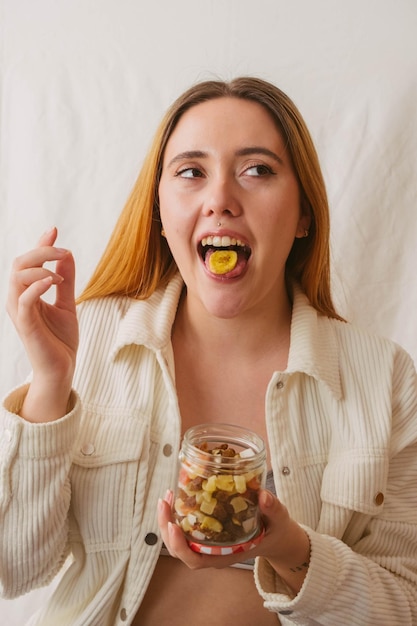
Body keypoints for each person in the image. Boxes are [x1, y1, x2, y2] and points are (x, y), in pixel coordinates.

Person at [1, 76, 416, 626]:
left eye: (258, 170)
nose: (221, 199)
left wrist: (293, 551)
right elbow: (13, 570)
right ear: (159, 209)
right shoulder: (91, 337)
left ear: (303, 216)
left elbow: (405, 604)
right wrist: (50, 387)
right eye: (191, 172)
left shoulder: (383, 377)